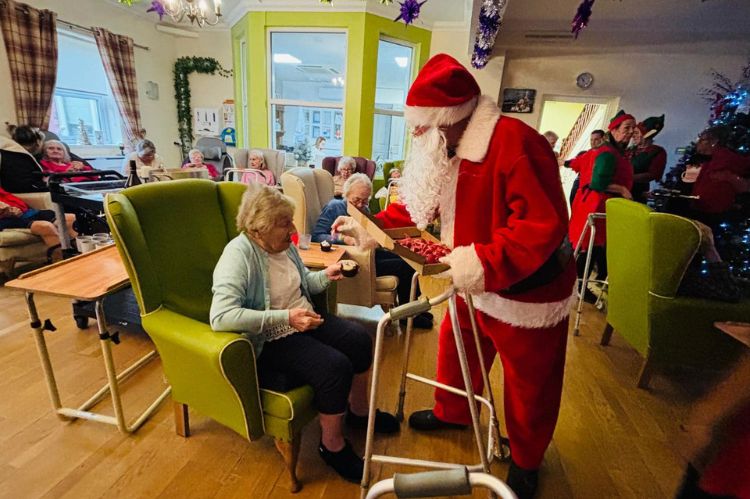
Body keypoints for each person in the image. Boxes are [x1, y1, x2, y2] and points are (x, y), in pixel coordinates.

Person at [333, 54, 576, 498]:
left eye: (423, 125)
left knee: (530, 383)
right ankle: (454, 412)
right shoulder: (444, 145)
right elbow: (416, 202)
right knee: (457, 342)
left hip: (529, 289)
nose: (416, 134)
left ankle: (526, 460)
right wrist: (371, 229)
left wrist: (476, 263)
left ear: (451, 117)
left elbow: (539, 228)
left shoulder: (518, 144)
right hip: (471, 276)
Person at [210, 186, 399, 484]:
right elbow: (221, 317)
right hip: (271, 337)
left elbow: (304, 283)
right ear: (259, 227)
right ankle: (331, 446)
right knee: (335, 366)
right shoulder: (238, 254)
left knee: (359, 339)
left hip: (304, 318)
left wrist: (327, 274)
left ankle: (359, 412)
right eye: (284, 223)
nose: (293, 230)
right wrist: (286, 317)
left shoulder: (284, 246)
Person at [312, 173, 433, 329]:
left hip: (368, 254)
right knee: (403, 267)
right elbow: (317, 236)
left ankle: (412, 308)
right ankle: (407, 316)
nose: (360, 205)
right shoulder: (334, 207)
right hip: (353, 259)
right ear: (346, 193)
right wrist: (343, 238)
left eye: (365, 200)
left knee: (405, 258)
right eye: (356, 200)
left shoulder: (365, 209)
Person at [568, 111, 635, 289]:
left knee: (592, 247)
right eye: (627, 128)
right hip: (597, 205)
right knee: (590, 247)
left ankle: (579, 285)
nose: (630, 132)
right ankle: (579, 287)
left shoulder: (610, 151)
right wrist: (622, 190)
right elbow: (598, 183)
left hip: (594, 204)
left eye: (633, 128)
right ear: (614, 130)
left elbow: (576, 163)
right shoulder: (607, 153)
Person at [688, 126, 750, 222]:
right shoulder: (707, 160)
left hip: (712, 214)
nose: (698, 143)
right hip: (703, 210)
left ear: (714, 141)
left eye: (701, 140)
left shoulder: (724, 158)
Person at [0, 186, 77, 262]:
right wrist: (7, 212)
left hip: (26, 212)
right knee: (45, 227)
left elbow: (11, 200)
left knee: (71, 219)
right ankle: (61, 262)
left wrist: (14, 208)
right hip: (6, 220)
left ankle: (79, 255)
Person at [627, 115, 667, 202]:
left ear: (647, 134)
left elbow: (653, 174)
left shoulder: (657, 151)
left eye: (636, 133)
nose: (633, 136)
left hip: (638, 194)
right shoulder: (630, 150)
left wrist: (628, 178)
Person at [0, 125, 48, 193]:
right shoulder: (21, 157)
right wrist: (45, 183)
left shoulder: (7, 153)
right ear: (38, 142)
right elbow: (23, 187)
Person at [565, 129, 606, 206]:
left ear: (603, 139)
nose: (593, 142)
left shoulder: (607, 154)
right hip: (584, 191)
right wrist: (563, 162)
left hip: (597, 192)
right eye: (591, 140)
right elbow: (575, 162)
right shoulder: (587, 154)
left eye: (596, 140)